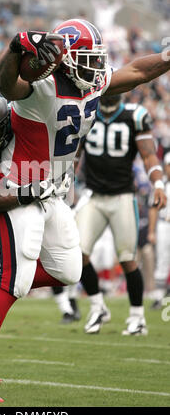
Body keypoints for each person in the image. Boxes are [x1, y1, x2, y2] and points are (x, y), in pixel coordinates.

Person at [0, 19, 170, 402]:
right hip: (16, 188)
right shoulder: (39, 86)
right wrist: (17, 48)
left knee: (69, 270)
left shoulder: (92, 81)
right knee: (15, 279)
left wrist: (167, 57)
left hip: (50, 192)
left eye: (97, 59)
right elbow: (5, 83)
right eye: (87, 58)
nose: (96, 67)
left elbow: (136, 71)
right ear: (62, 59)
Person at [75, 93, 167, 335]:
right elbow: (74, 155)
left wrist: (158, 184)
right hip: (93, 195)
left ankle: (137, 317)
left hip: (123, 196)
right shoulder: (86, 112)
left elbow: (148, 156)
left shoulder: (134, 116)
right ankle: (97, 306)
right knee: (78, 253)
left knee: (127, 258)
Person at [147, 151, 170, 309]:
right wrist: (151, 231)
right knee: (162, 260)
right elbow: (153, 209)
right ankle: (159, 297)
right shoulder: (162, 186)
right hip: (164, 225)